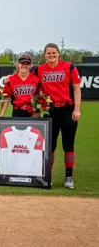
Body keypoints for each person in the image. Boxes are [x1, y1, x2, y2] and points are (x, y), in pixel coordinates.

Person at [35, 43, 81, 189]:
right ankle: (48, 176)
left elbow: (76, 88)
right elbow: (29, 81)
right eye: (48, 53)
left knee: (68, 145)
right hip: (50, 111)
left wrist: (77, 109)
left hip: (68, 110)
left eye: (54, 53)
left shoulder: (69, 67)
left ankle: (69, 176)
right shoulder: (39, 70)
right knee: (50, 146)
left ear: (59, 53)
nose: (51, 55)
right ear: (44, 55)